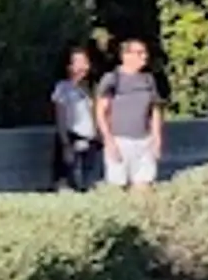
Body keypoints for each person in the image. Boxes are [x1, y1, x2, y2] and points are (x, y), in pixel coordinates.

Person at [99, 36, 166, 189]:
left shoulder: (148, 79)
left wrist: (156, 138)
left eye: (145, 52)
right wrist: (108, 140)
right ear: (126, 56)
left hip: (144, 141)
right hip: (120, 140)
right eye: (139, 53)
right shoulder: (112, 79)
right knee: (118, 186)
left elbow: (154, 109)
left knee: (144, 185)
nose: (145, 56)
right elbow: (101, 111)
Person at [50, 44, 103, 190]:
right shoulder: (63, 88)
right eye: (77, 62)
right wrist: (65, 142)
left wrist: (99, 134)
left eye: (84, 62)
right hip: (71, 135)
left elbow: (97, 112)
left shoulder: (93, 88)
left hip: (91, 137)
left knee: (89, 176)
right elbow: (60, 115)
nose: (81, 67)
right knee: (68, 175)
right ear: (69, 66)